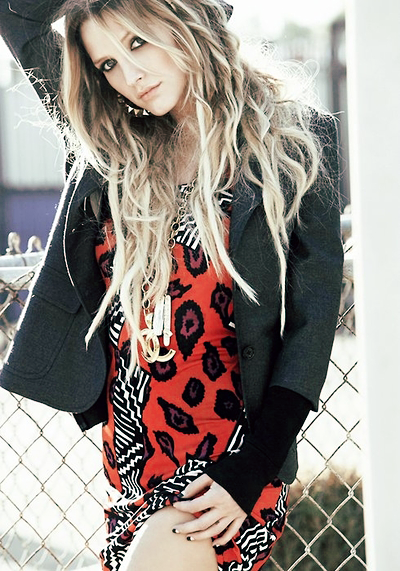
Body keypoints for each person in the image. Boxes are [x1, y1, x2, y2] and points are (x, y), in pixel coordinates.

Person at [0, 1, 344, 570]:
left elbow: (311, 330)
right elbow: (19, 15)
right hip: (133, 465)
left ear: (180, 19)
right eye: (108, 64)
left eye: (137, 42)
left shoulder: (294, 142)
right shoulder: (113, 147)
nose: (130, 75)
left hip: (229, 466)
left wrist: (249, 471)